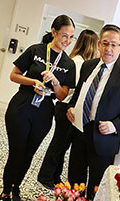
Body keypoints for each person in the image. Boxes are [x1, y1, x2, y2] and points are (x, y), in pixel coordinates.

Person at [0, 15, 76, 201]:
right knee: (17, 151)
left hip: (44, 111)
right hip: (22, 105)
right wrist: (34, 82)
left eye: (71, 37)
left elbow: (62, 95)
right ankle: (6, 193)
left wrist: (56, 82)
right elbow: (13, 75)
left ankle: (16, 185)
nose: (67, 41)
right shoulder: (36, 50)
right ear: (53, 32)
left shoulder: (69, 64)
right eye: (64, 35)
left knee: (29, 153)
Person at [66, 24, 120, 199]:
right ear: (99, 44)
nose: (108, 49)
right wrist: (71, 107)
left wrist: (115, 125)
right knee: (74, 180)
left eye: (114, 44)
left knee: (96, 186)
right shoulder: (88, 65)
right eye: (105, 43)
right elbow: (79, 93)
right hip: (80, 130)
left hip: (104, 137)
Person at [37, 29, 98, 189]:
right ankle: (46, 176)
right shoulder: (79, 63)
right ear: (92, 46)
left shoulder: (78, 60)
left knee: (62, 145)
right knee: (59, 145)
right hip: (66, 107)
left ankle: (55, 176)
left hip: (67, 107)